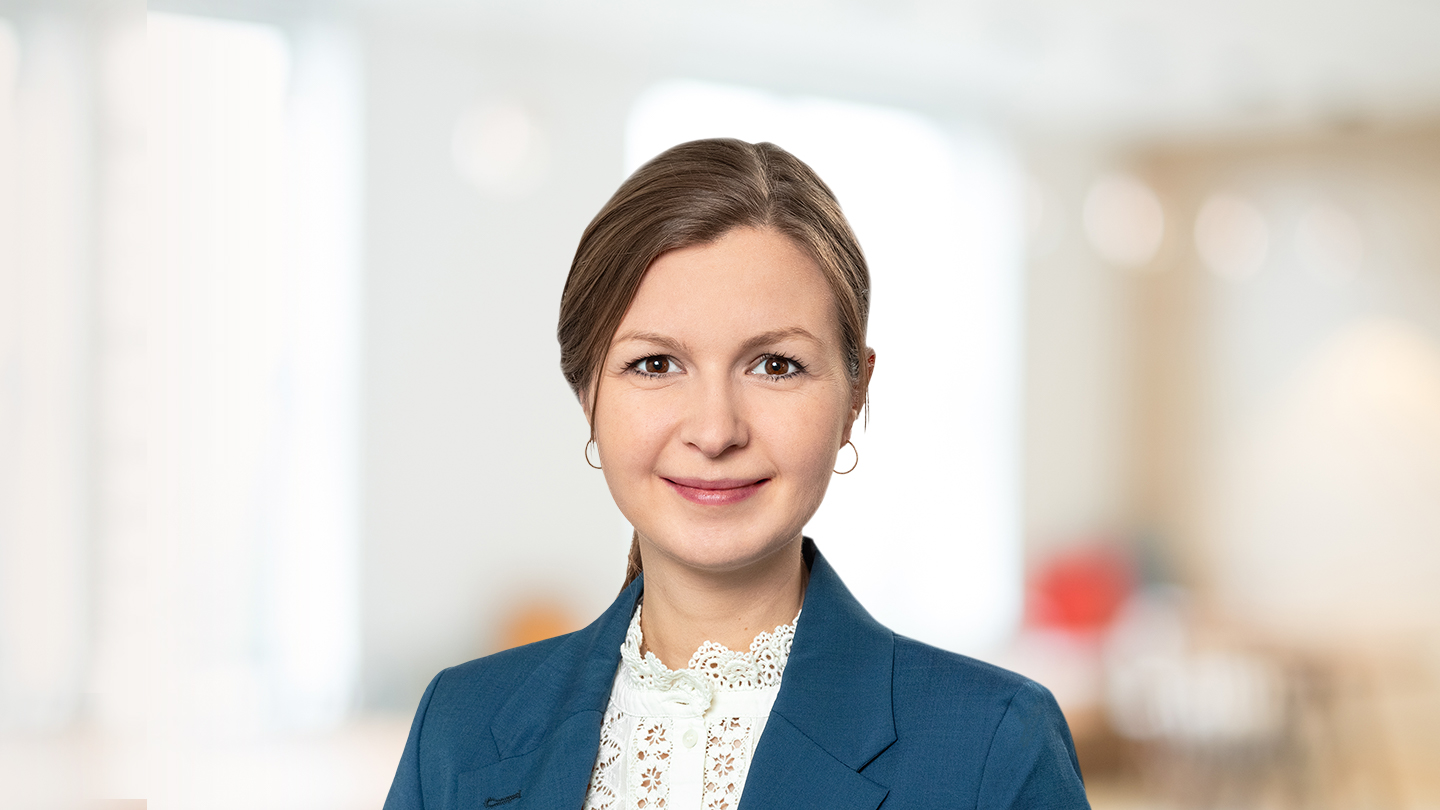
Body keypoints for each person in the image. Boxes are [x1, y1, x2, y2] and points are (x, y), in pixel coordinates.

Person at [383, 138, 1089, 810]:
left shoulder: (994, 745)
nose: (716, 431)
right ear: (586, 393)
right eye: (655, 364)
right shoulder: (459, 726)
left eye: (775, 365)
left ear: (854, 397)